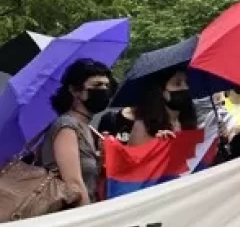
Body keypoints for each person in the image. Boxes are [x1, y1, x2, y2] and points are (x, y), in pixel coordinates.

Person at [38, 60, 114, 207]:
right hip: (68, 218)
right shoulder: (67, 126)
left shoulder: (88, 128)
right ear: (75, 91)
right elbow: (74, 183)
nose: (104, 90)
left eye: (107, 85)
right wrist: (88, 220)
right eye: (97, 85)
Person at [131, 70, 199, 145]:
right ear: (162, 91)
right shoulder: (142, 127)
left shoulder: (188, 122)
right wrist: (158, 145)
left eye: (187, 82)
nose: (185, 87)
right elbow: (135, 155)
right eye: (178, 83)